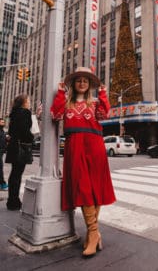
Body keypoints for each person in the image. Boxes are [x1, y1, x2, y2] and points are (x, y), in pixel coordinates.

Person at [50, 66, 116, 257]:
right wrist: (61, 94)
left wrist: (103, 93)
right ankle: (94, 233)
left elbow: (105, 115)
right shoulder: (66, 103)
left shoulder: (95, 103)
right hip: (74, 146)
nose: (82, 83)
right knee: (83, 187)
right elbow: (55, 115)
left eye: (85, 81)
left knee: (95, 187)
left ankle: (92, 234)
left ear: (89, 86)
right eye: (78, 80)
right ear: (73, 84)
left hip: (94, 145)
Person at [5, 94, 34, 210]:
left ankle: (12, 200)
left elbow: (12, 131)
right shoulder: (25, 112)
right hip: (20, 147)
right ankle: (14, 202)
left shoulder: (14, 113)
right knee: (17, 175)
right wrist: (31, 137)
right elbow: (24, 131)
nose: (29, 102)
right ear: (24, 102)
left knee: (14, 174)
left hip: (13, 146)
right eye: (28, 100)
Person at [0, 118, 7, 190]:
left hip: (1, 151)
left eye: (3, 122)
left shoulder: (2, 131)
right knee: (0, 168)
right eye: (2, 122)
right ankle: (3, 184)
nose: (3, 123)